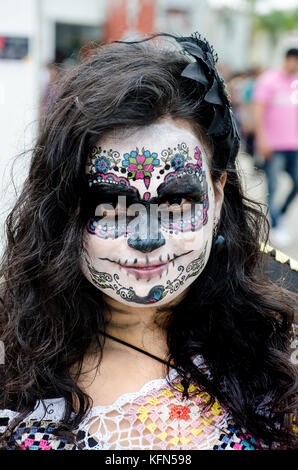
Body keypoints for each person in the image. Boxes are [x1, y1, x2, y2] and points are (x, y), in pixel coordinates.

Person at [0, 32, 297, 451]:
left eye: (176, 200)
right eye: (109, 204)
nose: (147, 239)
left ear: (215, 195)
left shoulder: (281, 349)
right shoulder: (14, 374)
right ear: (65, 208)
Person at [253, 48, 298, 248]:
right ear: (286, 59)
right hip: (273, 144)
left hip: (294, 144)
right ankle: (277, 224)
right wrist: (262, 139)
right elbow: (258, 110)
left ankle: (280, 213)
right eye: (293, 61)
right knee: (273, 185)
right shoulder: (269, 80)